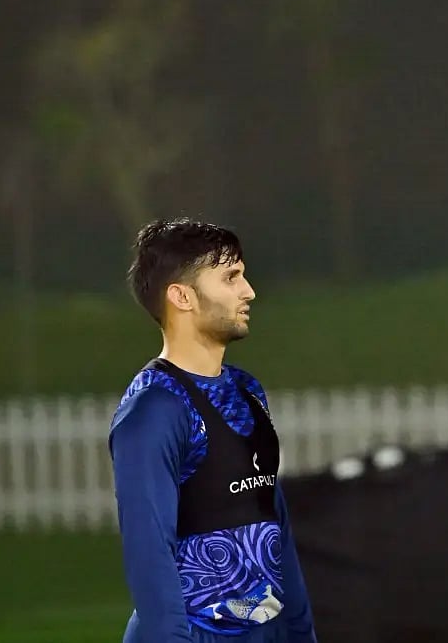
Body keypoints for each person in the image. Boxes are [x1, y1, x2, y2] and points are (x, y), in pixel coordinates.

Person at [109, 218, 316, 643]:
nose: (249, 291)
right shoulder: (155, 409)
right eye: (231, 277)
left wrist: (300, 632)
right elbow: (150, 556)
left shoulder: (246, 390)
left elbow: (273, 521)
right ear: (182, 296)